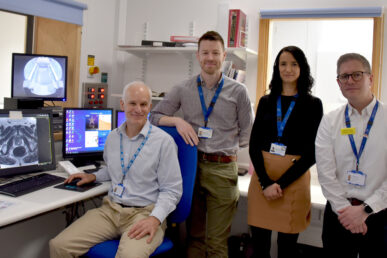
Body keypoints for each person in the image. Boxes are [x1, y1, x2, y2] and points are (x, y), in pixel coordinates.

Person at [149, 30, 253, 257]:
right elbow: (153, 117)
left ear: (224, 55)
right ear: (198, 55)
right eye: (205, 52)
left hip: (223, 169)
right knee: (194, 238)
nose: (210, 58)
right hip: (191, 167)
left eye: (215, 53)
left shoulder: (239, 91)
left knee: (216, 243)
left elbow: (248, 135)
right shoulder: (183, 88)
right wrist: (177, 120)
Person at [49, 81, 182, 258]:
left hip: (144, 214)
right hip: (111, 211)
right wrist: (93, 176)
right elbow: (114, 170)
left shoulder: (163, 142)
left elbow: (172, 190)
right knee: (59, 246)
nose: (138, 109)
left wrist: (155, 219)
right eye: (132, 103)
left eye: (143, 104)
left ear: (150, 107)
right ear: (123, 105)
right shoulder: (112, 137)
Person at [248, 46, 323, 258]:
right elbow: (254, 145)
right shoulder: (266, 101)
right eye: (283, 64)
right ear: (276, 68)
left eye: (294, 64)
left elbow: (311, 153)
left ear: (302, 68)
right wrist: (265, 183)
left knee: (287, 248)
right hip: (262, 181)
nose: (288, 69)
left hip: (293, 182)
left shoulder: (313, 104)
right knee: (260, 246)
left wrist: (278, 185)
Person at [315, 53, 387, 257]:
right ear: (338, 82)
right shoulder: (330, 120)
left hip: (379, 214)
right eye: (344, 77)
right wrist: (346, 213)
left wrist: (365, 210)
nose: (350, 81)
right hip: (339, 214)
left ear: (370, 79)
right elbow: (325, 172)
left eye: (357, 74)